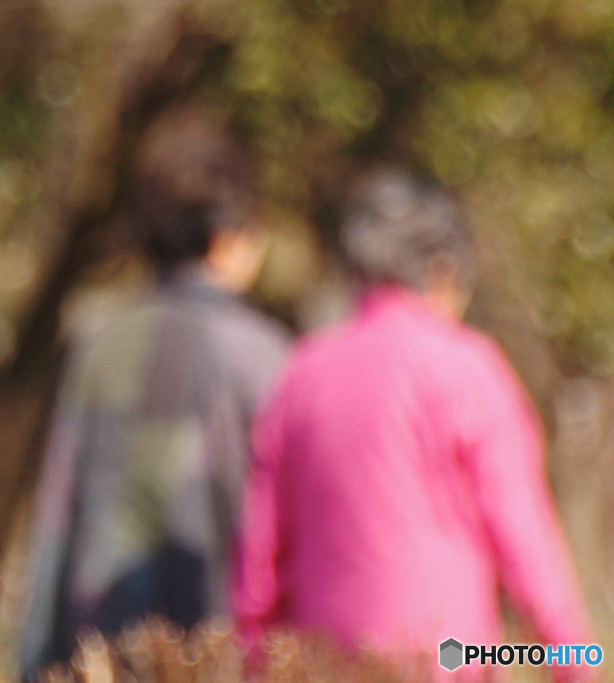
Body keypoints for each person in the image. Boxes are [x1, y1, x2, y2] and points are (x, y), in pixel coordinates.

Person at [233, 168, 594, 680]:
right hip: (449, 657)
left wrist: (254, 657)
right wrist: (576, 659)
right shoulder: (469, 369)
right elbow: (525, 541)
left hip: (328, 660)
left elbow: (261, 559)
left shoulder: (302, 374)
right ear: (445, 270)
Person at [18, 106, 292, 679]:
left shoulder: (97, 342)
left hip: (96, 643)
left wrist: (34, 658)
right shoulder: (263, 354)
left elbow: (56, 514)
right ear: (228, 236)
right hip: (217, 645)